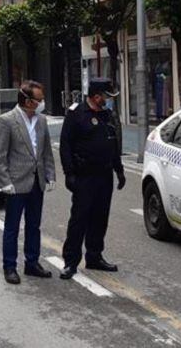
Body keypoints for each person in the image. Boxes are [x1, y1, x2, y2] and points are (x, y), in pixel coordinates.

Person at [59, 77, 125, 280]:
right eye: (106, 96)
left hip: (104, 175)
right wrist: (69, 173)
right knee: (79, 219)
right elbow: (65, 145)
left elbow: (113, 143)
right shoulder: (76, 114)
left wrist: (119, 170)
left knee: (100, 218)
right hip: (84, 176)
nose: (108, 100)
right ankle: (70, 262)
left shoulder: (107, 115)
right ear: (97, 96)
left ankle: (94, 256)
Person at [0, 80, 56, 285]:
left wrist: (50, 175)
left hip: (37, 181)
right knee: (12, 227)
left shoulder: (42, 120)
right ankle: (9, 266)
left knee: (34, 225)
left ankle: (32, 263)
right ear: (27, 101)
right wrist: (5, 182)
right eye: (39, 99)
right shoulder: (6, 121)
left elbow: (46, 151)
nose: (42, 102)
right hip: (16, 182)